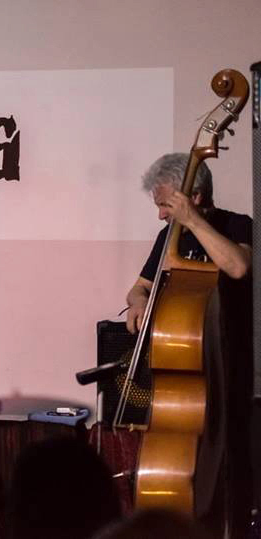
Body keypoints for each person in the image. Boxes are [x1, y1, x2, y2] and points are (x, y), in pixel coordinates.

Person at [122, 153, 252, 537]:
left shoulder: (237, 224)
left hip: (233, 370)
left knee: (230, 472)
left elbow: (238, 266)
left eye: (166, 204)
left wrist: (193, 221)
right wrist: (138, 302)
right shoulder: (169, 238)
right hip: (188, 373)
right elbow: (138, 287)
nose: (161, 215)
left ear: (192, 197)